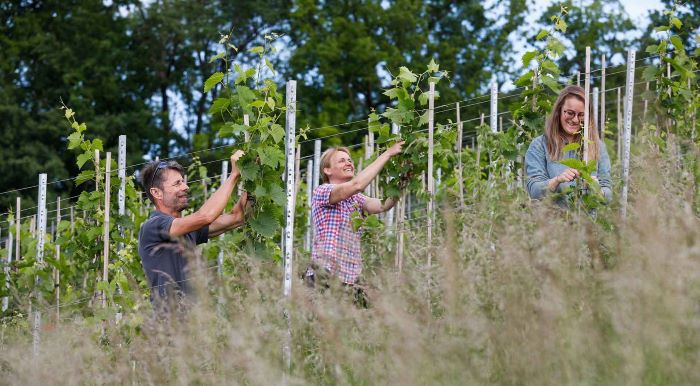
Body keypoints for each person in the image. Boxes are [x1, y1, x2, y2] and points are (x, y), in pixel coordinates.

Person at [138, 150, 248, 312]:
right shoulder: (153, 226)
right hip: (169, 326)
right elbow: (206, 216)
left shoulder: (187, 229)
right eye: (177, 184)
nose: (186, 187)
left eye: (183, 182)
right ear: (156, 193)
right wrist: (234, 175)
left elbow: (237, 217)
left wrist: (253, 175)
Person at [306, 142, 405, 305]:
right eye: (342, 161)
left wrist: (402, 181)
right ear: (327, 170)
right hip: (325, 274)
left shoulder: (356, 199)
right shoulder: (322, 191)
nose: (349, 163)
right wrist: (387, 154)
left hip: (351, 280)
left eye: (350, 160)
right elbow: (357, 185)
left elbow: (382, 205)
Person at [525, 85, 612, 205]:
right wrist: (557, 180)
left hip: (586, 221)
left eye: (581, 115)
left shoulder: (596, 146)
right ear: (559, 111)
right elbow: (534, 192)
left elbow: (607, 197)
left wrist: (597, 189)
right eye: (570, 113)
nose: (575, 120)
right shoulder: (540, 145)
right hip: (552, 221)